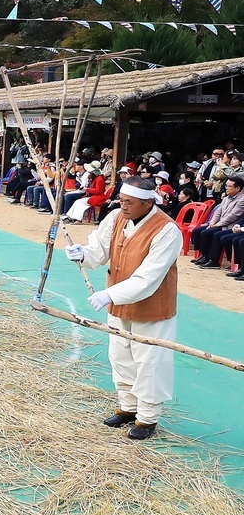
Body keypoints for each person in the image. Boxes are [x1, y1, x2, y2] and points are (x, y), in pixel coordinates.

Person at [65, 175, 182, 439]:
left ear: (147, 202)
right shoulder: (117, 217)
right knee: (120, 357)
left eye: (129, 202)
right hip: (118, 306)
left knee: (150, 362)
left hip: (151, 309)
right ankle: (128, 407)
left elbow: (148, 278)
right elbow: (99, 248)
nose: (123, 205)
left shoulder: (167, 230)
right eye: (121, 200)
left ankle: (147, 418)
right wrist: (83, 253)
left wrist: (110, 294)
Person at [189, 176, 244, 268]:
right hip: (220, 224)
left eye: (229, 186)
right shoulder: (226, 198)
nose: (226, 188)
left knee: (211, 233)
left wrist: (217, 225)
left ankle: (213, 260)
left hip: (231, 225)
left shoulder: (242, 200)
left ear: (237, 188)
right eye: (226, 186)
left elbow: (233, 216)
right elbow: (218, 212)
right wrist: (212, 223)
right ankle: (204, 255)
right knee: (197, 231)